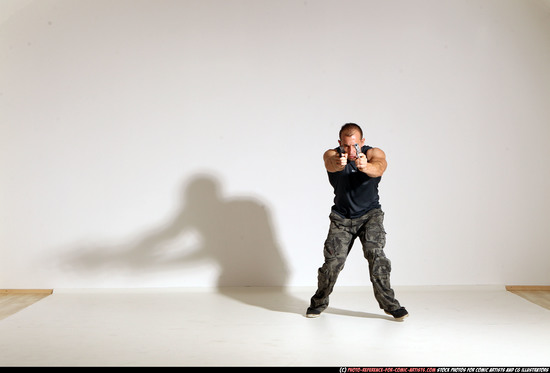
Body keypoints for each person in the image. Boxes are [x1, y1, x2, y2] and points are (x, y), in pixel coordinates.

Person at [306, 123, 408, 321]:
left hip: (370, 215)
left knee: (376, 255)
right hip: (341, 218)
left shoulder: (373, 153)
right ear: (339, 143)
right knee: (332, 263)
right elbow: (330, 163)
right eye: (345, 146)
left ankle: (390, 305)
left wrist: (365, 166)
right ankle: (318, 303)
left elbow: (380, 167)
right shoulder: (332, 154)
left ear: (362, 141)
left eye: (354, 145)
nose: (350, 150)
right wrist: (339, 163)